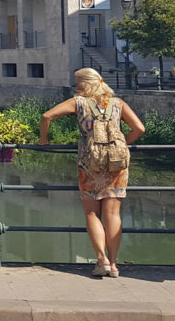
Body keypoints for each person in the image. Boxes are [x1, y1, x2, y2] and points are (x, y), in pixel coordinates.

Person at [39, 68, 145, 278]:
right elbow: (139, 128)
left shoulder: (78, 102)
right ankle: (114, 265)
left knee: (92, 213)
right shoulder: (118, 103)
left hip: (89, 163)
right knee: (113, 213)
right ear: (101, 81)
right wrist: (123, 143)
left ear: (81, 85)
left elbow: (47, 116)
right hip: (117, 164)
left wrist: (43, 139)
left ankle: (101, 260)